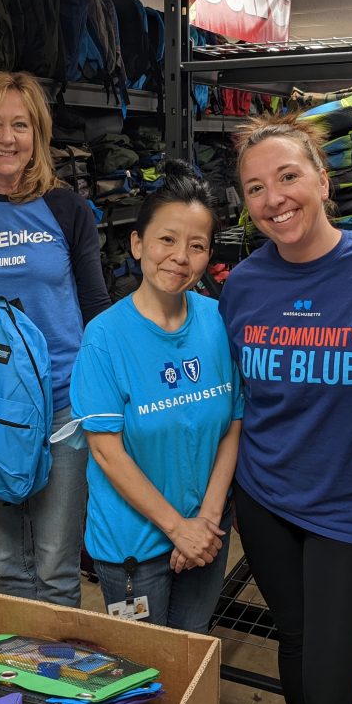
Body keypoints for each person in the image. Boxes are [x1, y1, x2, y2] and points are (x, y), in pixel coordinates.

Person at [218, 112, 352, 704]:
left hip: (348, 506)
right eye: (256, 189)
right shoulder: (241, 285)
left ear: (323, 181)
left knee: (328, 688)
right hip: (264, 497)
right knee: (292, 647)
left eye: (288, 176)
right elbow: (236, 395)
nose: (274, 199)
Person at [0, 70, 110, 608]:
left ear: (37, 135)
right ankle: (18, 685)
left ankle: (58, 687)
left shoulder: (65, 208)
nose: (6, 137)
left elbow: (95, 306)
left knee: (57, 567)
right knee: (8, 566)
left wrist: (107, 394)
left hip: (62, 405)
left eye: (21, 124)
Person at [67, 160, 243, 633]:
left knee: (192, 647)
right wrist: (176, 528)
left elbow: (233, 425)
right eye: (167, 240)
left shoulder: (218, 320)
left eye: (197, 246)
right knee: (143, 669)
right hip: (134, 548)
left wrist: (204, 521)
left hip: (206, 532)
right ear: (137, 243)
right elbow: (106, 452)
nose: (180, 257)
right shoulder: (104, 337)